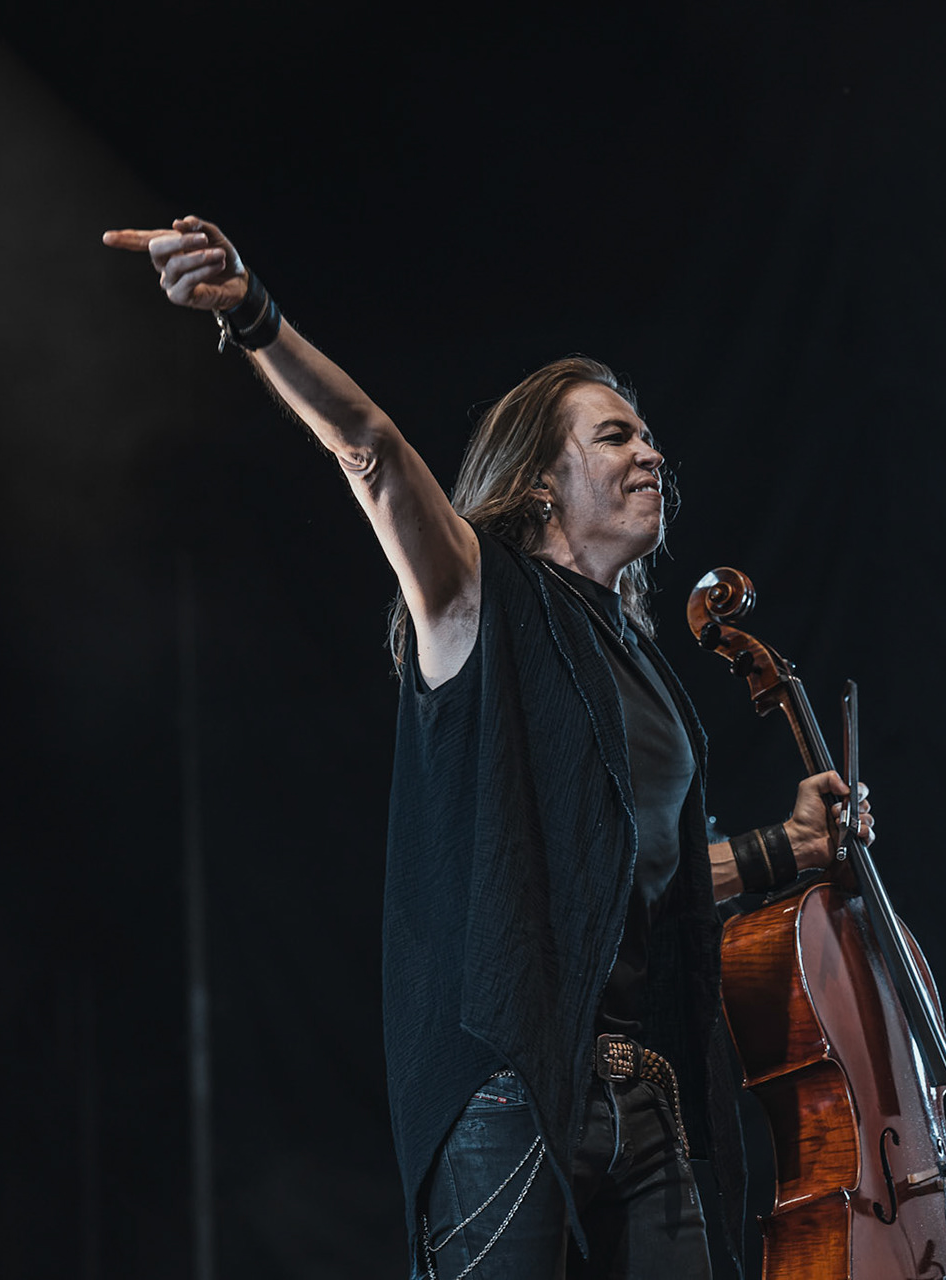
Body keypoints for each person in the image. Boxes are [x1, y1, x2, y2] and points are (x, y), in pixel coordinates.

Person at [102, 216, 872, 1279]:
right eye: (614, 435)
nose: (650, 450)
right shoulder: (479, 598)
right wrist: (253, 314)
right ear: (544, 480)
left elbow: (641, 881)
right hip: (515, 1087)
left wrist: (791, 846)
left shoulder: (645, 672)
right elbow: (368, 445)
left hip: (649, 1096)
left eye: (647, 434)